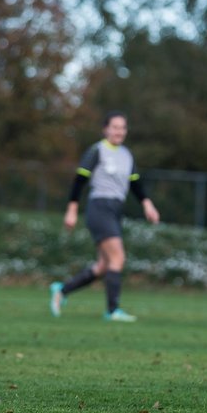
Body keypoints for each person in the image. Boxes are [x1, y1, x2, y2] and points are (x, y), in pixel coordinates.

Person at [50, 112, 160, 321]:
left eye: (123, 128)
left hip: (116, 209)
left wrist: (148, 204)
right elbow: (79, 180)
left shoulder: (127, 155)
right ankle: (112, 311)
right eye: (115, 127)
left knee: (103, 266)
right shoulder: (97, 151)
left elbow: (135, 184)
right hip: (99, 207)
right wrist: (72, 209)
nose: (119, 131)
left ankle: (62, 290)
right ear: (105, 129)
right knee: (118, 258)